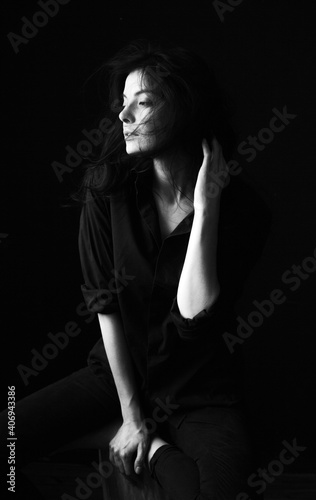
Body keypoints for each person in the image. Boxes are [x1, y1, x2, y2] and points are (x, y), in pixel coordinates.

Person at [1, 39, 271, 499]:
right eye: (121, 104)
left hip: (201, 392)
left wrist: (205, 211)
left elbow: (193, 320)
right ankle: (128, 433)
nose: (123, 116)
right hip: (113, 377)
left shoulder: (245, 211)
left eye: (142, 102)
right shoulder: (107, 191)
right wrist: (131, 417)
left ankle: (158, 449)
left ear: (186, 107)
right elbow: (105, 307)